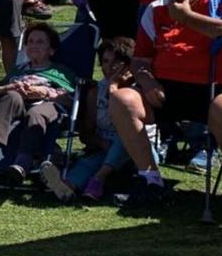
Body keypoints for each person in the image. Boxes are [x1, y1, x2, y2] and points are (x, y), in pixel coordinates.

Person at [108, 0, 222, 207]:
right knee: (123, 99)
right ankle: (150, 180)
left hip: (218, 87)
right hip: (168, 89)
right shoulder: (155, 9)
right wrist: (146, 80)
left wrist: (188, 18)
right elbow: (141, 59)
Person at [0, 22, 76, 184]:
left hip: (46, 107)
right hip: (14, 107)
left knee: (36, 112)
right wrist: (11, 86)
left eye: (40, 42)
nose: (34, 45)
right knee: (12, 96)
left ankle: (23, 161)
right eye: (30, 42)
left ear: (52, 50)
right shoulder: (18, 70)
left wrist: (45, 92)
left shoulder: (60, 72)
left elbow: (71, 98)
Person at [41, 38, 145, 202]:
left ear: (127, 64)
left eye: (116, 62)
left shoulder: (138, 89)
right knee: (90, 162)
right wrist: (101, 143)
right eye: (105, 61)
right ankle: (67, 187)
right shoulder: (95, 92)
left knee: (125, 136)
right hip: (104, 147)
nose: (109, 67)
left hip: (137, 148)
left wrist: (114, 87)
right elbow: (86, 134)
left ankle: (99, 178)